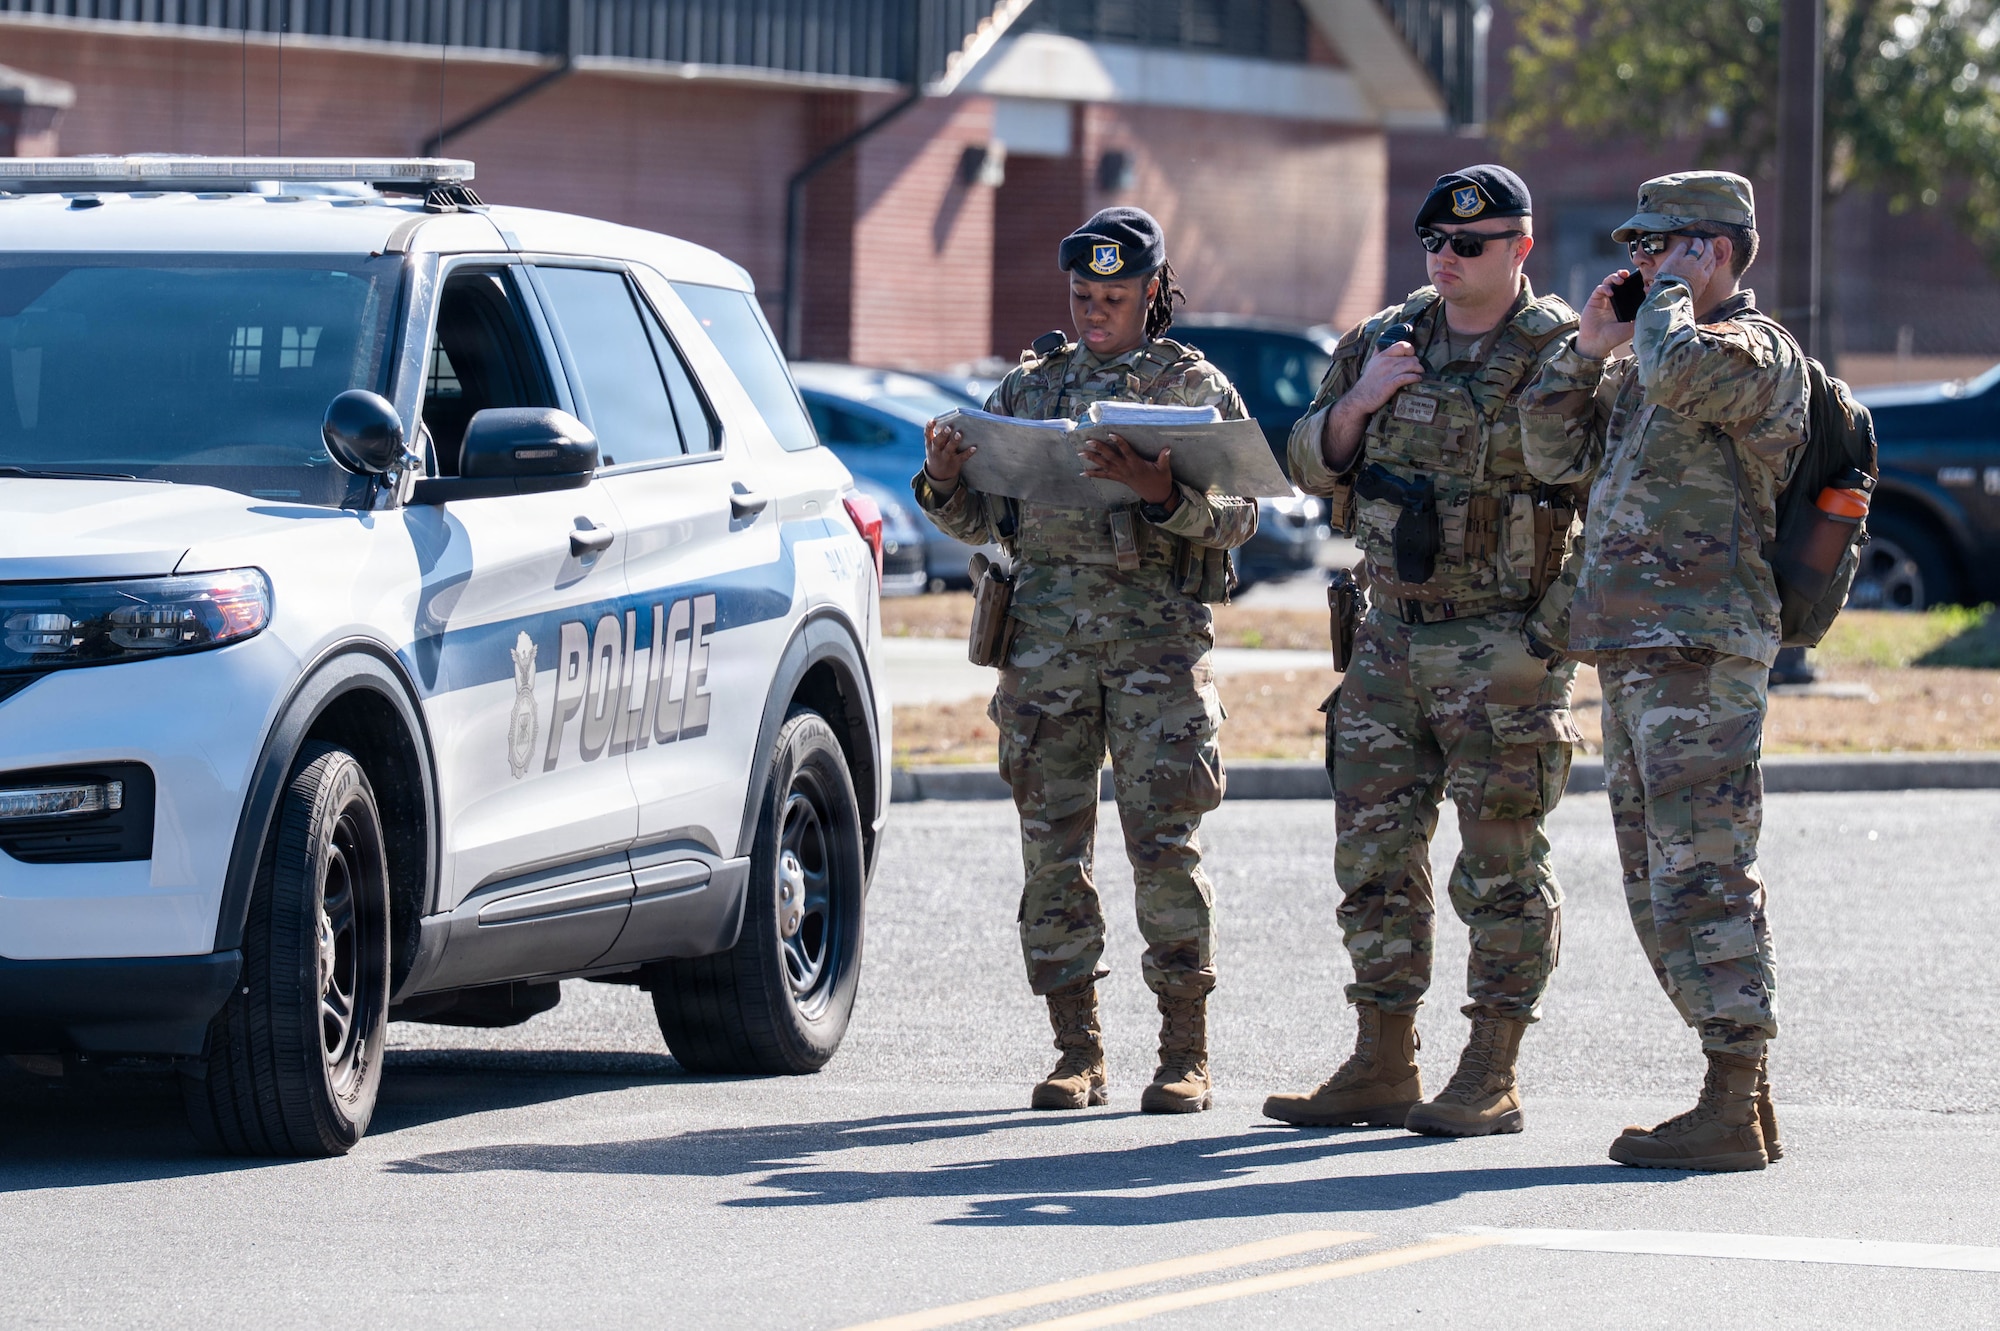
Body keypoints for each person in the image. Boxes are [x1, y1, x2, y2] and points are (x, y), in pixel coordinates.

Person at [1262, 165, 1584, 1138]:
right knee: (1372, 855)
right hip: (1389, 637)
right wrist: (1358, 401)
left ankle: (1490, 1064)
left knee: (1499, 862)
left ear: (1519, 248)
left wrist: (1547, 640)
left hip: (1502, 642)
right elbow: (1303, 460)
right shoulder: (1381, 337)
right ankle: (1380, 1056)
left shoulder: (1561, 355)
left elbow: (1613, 513)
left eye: (1469, 244)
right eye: (1434, 242)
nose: (1446, 258)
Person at [913, 207, 1257, 1114]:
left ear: (1151, 292)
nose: (1095, 311)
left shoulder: (1193, 389)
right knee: (1050, 855)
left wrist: (1161, 493)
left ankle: (1185, 1049)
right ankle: (1078, 1048)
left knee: (1165, 852)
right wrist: (946, 481)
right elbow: (987, 522)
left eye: (1113, 296)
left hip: (1157, 653)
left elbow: (1241, 520)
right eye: (1082, 296)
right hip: (1046, 655)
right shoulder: (1030, 390)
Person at [1518, 171, 1806, 1172]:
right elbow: (1551, 451)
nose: (1636, 264)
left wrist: (1668, 304)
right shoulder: (1646, 356)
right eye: (1638, 248)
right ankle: (1741, 1100)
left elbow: (1685, 370)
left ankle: (1730, 1097)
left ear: (1712, 250)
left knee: (1704, 868)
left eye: (1659, 246)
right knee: (1657, 883)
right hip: (1634, 649)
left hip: (1702, 646)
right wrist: (1585, 349)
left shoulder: (1747, 351)